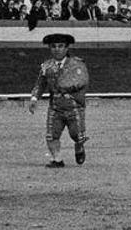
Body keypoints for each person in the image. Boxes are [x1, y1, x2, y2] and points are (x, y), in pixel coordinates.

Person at [29, 33, 89, 167]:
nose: (57, 49)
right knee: (51, 135)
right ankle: (57, 160)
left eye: (61, 46)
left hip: (74, 106)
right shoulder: (46, 66)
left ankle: (79, 147)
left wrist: (63, 86)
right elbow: (40, 84)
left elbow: (82, 81)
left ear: (67, 48)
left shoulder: (77, 64)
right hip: (55, 106)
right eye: (54, 46)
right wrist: (34, 98)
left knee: (78, 136)